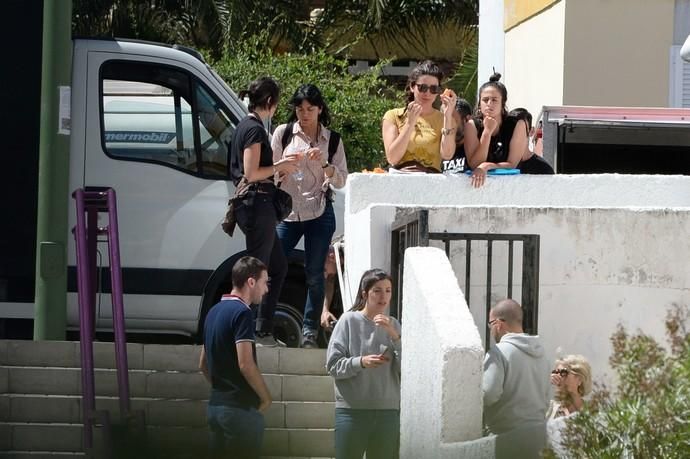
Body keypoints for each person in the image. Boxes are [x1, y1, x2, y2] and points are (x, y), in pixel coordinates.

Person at [271, 84, 348, 348]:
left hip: (319, 211)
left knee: (315, 273)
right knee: (272, 267)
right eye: (299, 109)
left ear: (320, 109)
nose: (304, 114)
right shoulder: (283, 134)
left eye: (310, 109)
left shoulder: (333, 140)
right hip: (289, 212)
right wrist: (284, 167)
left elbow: (341, 179)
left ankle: (309, 332)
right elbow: (269, 173)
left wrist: (324, 165)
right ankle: (261, 326)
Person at [230, 77, 299, 347]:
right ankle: (243, 331)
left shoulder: (244, 126)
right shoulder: (253, 129)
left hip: (257, 206)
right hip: (257, 205)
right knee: (255, 271)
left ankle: (262, 328)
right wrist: (280, 166)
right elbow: (251, 173)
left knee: (278, 267)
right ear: (270, 102)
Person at [198, 256, 273, 459]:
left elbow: (203, 363)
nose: (266, 290)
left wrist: (222, 388)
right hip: (240, 409)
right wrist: (266, 397)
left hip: (215, 406)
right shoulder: (242, 313)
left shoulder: (213, 312)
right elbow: (246, 364)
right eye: (264, 282)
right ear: (251, 282)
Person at [326, 269, 402, 459]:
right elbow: (333, 365)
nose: (383, 296)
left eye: (388, 290)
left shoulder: (394, 325)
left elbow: (408, 370)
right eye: (377, 290)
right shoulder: (348, 320)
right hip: (352, 412)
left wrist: (394, 336)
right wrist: (361, 362)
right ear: (364, 294)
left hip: (388, 413)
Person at [483, 299, 550, 458]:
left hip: (507, 441)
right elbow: (547, 397)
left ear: (498, 323)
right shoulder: (542, 354)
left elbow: (488, 394)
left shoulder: (498, 353)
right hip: (539, 440)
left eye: (490, 324)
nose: (491, 330)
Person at [382, 60, 457, 173]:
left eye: (433, 89)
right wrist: (409, 123)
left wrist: (447, 117)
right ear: (412, 87)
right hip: (401, 180)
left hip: (431, 182)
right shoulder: (394, 116)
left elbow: (447, 155)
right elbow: (393, 158)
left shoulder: (445, 119)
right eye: (422, 87)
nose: (427, 93)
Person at [464, 73, 528, 187]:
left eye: (494, 100)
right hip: (479, 186)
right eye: (485, 100)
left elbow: (512, 164)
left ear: (502, 103)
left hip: (511, 186)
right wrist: (487, 133)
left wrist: (487, 166)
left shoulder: (516, 124)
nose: (489, 104)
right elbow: (475, 164)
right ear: (479, 104)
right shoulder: (472, 125)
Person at [509, 108, 555, 175]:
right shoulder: (501, 163)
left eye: (521, 130)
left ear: (531, 131)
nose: (516, 135)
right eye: (512, 130)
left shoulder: (544, 169)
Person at [546, 354, 592, 419]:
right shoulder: (550, 409)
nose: (557, 377)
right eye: (555, 372)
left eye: (563, 373)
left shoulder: (591, 411)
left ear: (579, 379)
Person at [442, 98, 472, 175]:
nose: (446, 125)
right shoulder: (437, 145)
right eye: (445, 119)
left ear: (466, 120)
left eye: (451, 119)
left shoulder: (476, 149)